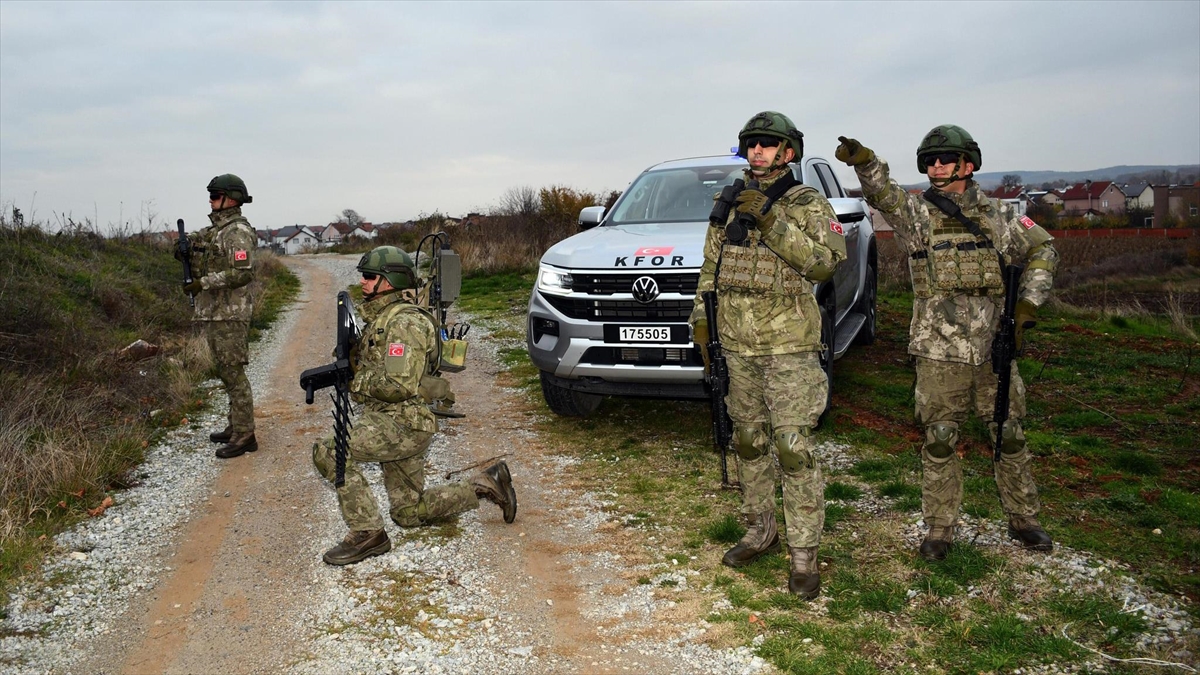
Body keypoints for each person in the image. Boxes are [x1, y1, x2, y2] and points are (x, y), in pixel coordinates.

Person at [834, 126, 1059, 561]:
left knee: (1008, 435)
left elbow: (1044, 250)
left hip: (994, 347)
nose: (936, 166)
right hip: (938, 352)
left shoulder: (1002, 216)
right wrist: (865, 161)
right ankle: (940, 528)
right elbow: (884, 195)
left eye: (945, 159)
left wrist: (1029, 304)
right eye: (930, 160)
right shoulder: (918, 217)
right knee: (939, 439)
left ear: (968, 164)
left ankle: (1024, 519)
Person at [690, 112, 846, 598]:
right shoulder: (728, 201)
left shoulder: (808, 203)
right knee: (750, 442)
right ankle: (760, 529)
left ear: (789, 152)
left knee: (792, 448)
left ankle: (804, 554)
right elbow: (710, 268)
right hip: (737, 343)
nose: (758, 151)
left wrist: (773, 220)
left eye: (768, 144)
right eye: (751, 144)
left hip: (790, 345)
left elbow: (825, 264)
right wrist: (700, 320)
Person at [313, 246, 517, 566]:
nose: (363, 282)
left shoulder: (404, 324)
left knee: (329, 450)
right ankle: (487, 483)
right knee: (409, 513)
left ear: (389, 281)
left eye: (369, 277)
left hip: (401, 423)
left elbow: (398, 386)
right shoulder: (383, 319)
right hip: (402, 421)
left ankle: (367, 533)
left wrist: (355, 380)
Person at [181, 174, 259, 459]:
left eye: (215, 196)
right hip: (214, 313)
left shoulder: (236, 232)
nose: (211, 201)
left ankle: (245, 434)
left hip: (230, 314)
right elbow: (196, 241)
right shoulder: (217, 230)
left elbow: (242, 273)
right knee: (224, 371)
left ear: (231, 198)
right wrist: (183, 247)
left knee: (233, 373)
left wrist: (203, 283)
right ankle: (235, 425)